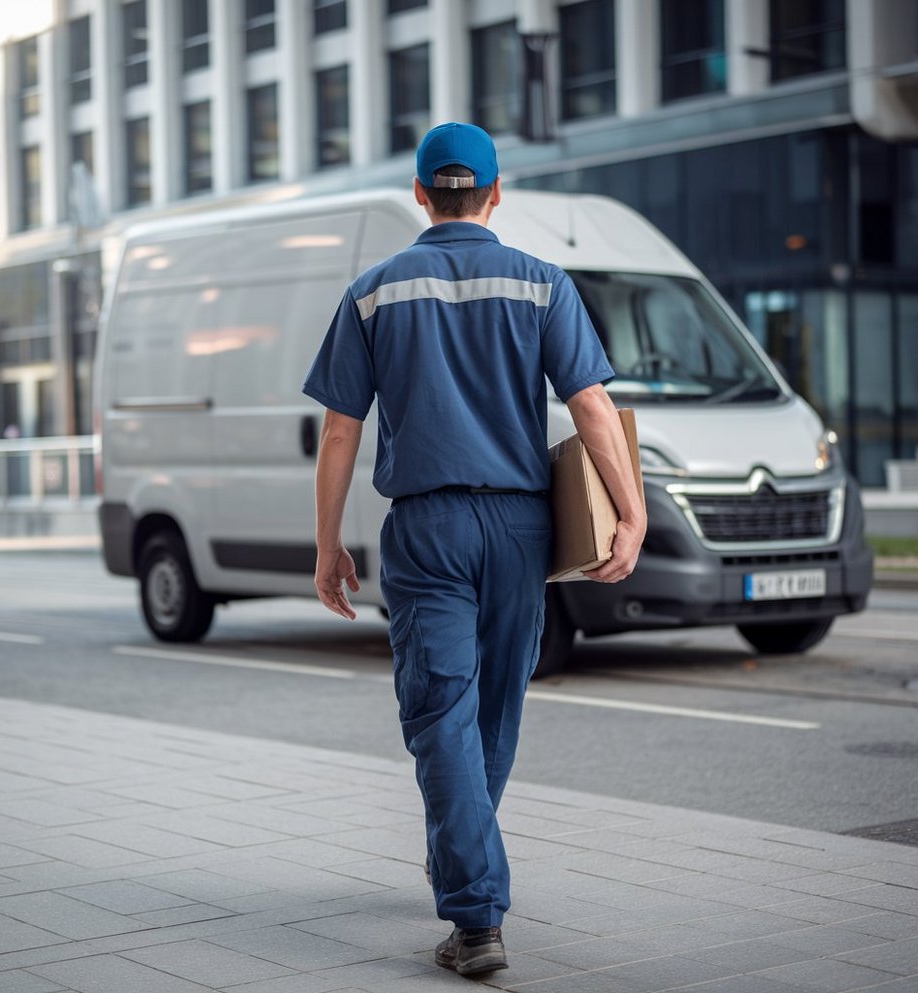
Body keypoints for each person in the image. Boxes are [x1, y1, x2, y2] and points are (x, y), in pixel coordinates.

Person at [303, 122, 645, 977]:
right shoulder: (541, 284)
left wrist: (326, 543)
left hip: (426, 531)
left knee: (441, 714)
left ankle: (474, 912)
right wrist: (631, 514)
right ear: (496, 193)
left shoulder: (373, 292)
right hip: (521, 529)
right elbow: (592, 408)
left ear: (420, 195)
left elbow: (340, 430)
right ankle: (466, 872)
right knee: (490, 708)